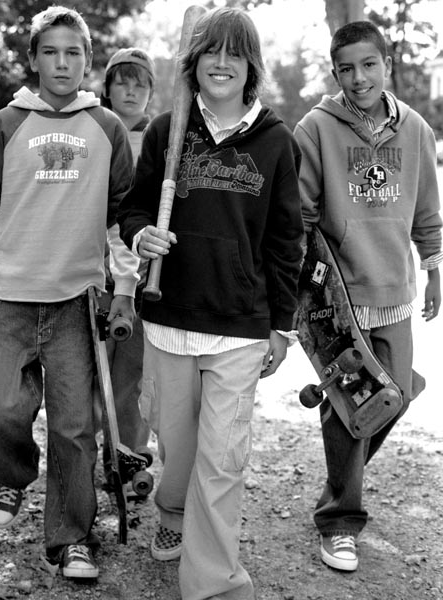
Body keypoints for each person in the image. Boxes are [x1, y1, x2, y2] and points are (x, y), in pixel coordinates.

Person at [118, 7, 304, 600]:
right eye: (210, 52)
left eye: (235, 53)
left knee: (222, 460)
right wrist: (141, 235)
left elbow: (286, 241)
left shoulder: (276, 141)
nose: (221, 63)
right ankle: (173, 510)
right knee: (178, 451)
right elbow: (133, 207)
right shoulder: (167, 130)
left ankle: (214, 584)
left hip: (241, 325)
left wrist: (281, 326)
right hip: (169, 317)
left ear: (252, 67)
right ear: (193, 63)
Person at [0, 5, 138, 579]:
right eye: (51, 52)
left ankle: (71, 539)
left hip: (76, 302)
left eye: (73, 53)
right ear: (33, 60)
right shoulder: (6, 123)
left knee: (74, 426)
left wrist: (125, 287)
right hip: (9, 298)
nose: (62, 63)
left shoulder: (107, 128)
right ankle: (14, 473)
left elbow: (123, 219)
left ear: (88, 61)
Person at [293, 20, 442, 572]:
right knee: (350, 409)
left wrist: (433, 268)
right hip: (340, 299)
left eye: (369, 65)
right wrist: (304, 295)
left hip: (395, 291)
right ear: (335, 73)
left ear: (386, 65)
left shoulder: (416, 129)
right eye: (346, 69)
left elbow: (427, 210)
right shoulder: (315, 129)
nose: (359, 78)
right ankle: (339, 521)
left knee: (393, 396)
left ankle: (341, 478)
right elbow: (302, 216)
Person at [98, 48, 155, 469]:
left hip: (143, 272)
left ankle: (129, 459)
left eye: (141, 84)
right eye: (123, 83)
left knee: (133, 373)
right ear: (108, 88)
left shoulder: (161, 141)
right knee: (90, 371)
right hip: (93, 269)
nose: (131, 92)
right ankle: (86, 455)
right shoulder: (92, 130)